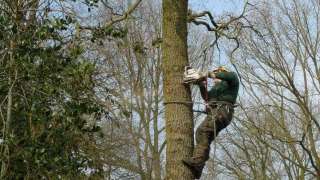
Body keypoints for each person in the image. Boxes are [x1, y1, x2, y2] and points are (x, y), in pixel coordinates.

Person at [182, 66, 239, 179]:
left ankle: (197, 162)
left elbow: (230, 76)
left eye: (217, 73)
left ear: (222, 73)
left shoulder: (231, 81)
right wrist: (201, 84)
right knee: (203, 135)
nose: (214, 77)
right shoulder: (217, 88)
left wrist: (208, 73)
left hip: (221, 111)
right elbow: (207, 97)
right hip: (220, 113)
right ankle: (198, 167)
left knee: (203, 131)